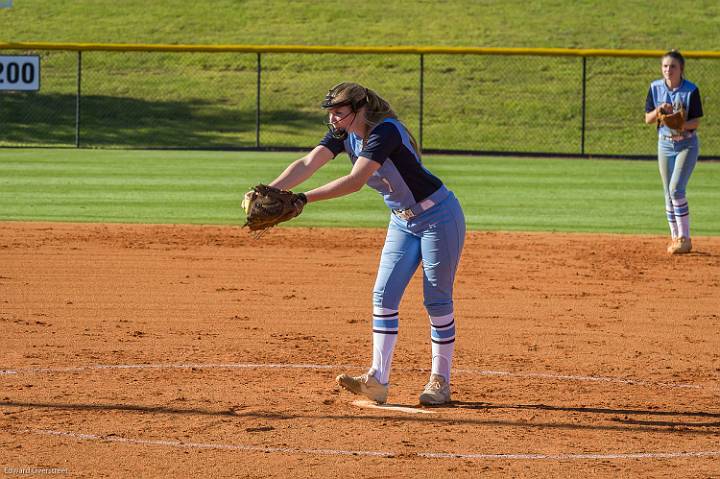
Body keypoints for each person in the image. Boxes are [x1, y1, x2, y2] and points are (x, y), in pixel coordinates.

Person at [267, 82, 466, 405]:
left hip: (439, 216)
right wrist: (268, 189)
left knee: (436, 300)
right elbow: (308, 163)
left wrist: (302, 198)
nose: (333, 120)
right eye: (330, 113)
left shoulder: (384, 132)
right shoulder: (344, 133)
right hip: (402, 220)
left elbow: (355, 181)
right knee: (383, 296)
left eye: (339, 113)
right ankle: (377, 380)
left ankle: (439, 382)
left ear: (360, 109)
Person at [645, 49, 703, 254]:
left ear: (681, 69)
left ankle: (684, 238)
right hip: (665, 144)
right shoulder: (655, 88)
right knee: (667, 194)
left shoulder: (691, 90)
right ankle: (675, 237)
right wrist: (659, 110)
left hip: (686, 144)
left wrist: (680, 124)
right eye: (665, 66)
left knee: (676, 189)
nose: (668, 70)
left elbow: (696, 122)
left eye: (673, 66)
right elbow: (648, 119)